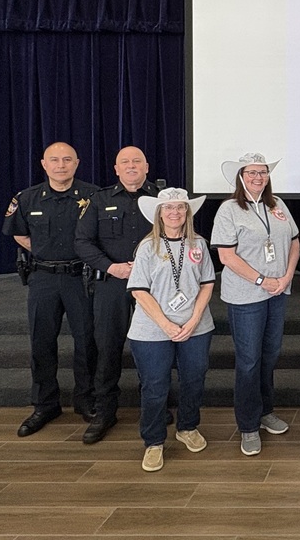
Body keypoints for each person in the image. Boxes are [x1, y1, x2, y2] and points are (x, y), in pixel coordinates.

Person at [2, 141, 99, 436]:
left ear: (77, 163)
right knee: (42, 342)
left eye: (67, 159)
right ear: (44, 164)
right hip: (43, 277)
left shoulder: (92, 196)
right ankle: (45, 404)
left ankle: (86, 400)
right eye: (54, 160)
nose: (61, 165)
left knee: (87, 341)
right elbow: (19, 233)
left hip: (80, 277)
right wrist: (44, 251)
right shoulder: (27, 198)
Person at [211, 153, 300, 457]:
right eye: (252, 173)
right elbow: (226, 256)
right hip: (247, 296)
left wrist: (287, 276)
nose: (258, 177)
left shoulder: (277, 205)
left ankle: (265, 412)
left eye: (262, 172)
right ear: (240, 176)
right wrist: (263, 280)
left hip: (278, 292)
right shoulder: (228, 210)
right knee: (248, 361)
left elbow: (295, 241)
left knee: (269, 355)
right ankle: (248, 425)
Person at [75, 145, 159, 444]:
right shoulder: (99, 200)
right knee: (107, 349)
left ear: (147, 167)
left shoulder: (163, 200)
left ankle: (155, 407)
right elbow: (83, 242)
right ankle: (105, 412)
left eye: (137, 161)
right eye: (125, 162)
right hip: (113, 285)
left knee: (154, 349)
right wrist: (112, 268)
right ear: (116, 169)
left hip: (154, 287)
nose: (131, 166)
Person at [129, 188, 215, 473]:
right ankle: (154, 442)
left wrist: (192, 321)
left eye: (180, 208)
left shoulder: (199, 245)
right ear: (159, 213)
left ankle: (187, 427)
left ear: (187, 213)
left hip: (195, 327)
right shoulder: (147, 247)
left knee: (194, 379)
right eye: (169, 208)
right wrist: (166, 324)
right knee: (155, 386)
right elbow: (139, 291)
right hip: (152, 329)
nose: (175, 212)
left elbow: (207, 284)